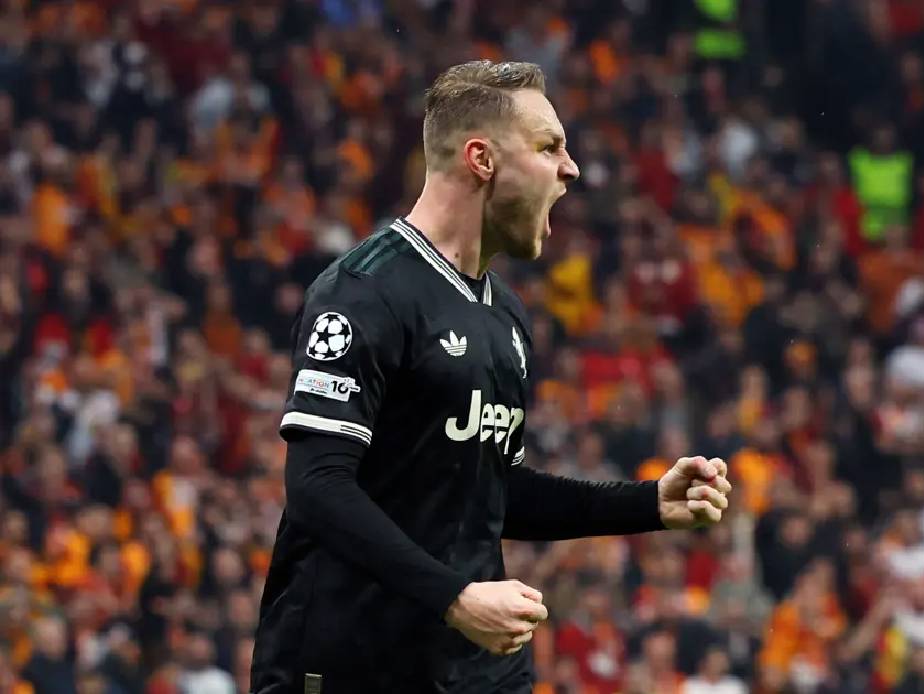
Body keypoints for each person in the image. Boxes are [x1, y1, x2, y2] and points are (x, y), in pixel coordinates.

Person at [250, 60, 732, 694]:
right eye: (549, 147)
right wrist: (454, 597)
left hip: (474, 672)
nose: (571, 168)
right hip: (354, 665)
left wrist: (648, 504)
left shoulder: (505, 314)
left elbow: (493, 492)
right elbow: (317, 486)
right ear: (481, 159)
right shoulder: (363, 293)